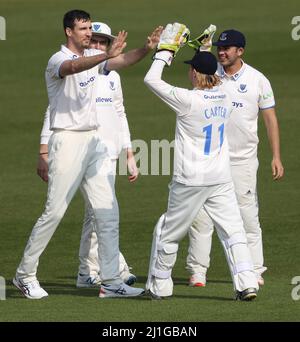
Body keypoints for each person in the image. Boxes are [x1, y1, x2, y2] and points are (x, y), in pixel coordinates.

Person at [13, 9, 162, 299]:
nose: (87, 34)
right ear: (69, 31)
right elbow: (72, 68)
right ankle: (24, 275)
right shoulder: (58, 60)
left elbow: (123, 61)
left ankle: (110, 281)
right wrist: (104, 56)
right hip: (67, 140)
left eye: (88, 29)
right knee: (54, 211)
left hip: (94, 141)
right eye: (81, 29)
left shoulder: (96, 63)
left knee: (107, 211)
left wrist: (146, 48)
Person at [144, 23, 258, 301]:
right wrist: (204, 50)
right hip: (220, 178)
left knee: (169, 234)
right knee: (233, 232)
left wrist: (165, 52)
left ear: (194, 73)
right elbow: (214, 77)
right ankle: (247, 284)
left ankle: (160, 287)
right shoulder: (227, 96)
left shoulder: (187, 100)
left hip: (190, 180)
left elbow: (151, 80)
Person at [37, 22, 143, 288]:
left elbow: (121, 113)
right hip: (79, 150)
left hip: (107, 151)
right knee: (101, 211)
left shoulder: (112, 76)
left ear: (109, 46)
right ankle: (115, 270)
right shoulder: (80, 71)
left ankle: (87, 272)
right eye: (92, 40)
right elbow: (54, 110)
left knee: (96, 213)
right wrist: (43, 149)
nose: (96, 45)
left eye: (102, 42)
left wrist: (129, 151)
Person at [187, 29, 284, 288]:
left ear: (240, 51)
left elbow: (270, 118)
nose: (222, 51)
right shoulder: (210, 74)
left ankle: (253, 269)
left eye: (227, 48)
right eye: (219, 47)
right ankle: (198, 271)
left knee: (247, 215)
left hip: (243, 160)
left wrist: (276, 156)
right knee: (202, 216)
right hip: (211, 160)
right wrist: (199, 51)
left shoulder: (257, 80)